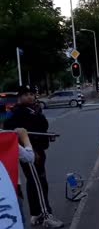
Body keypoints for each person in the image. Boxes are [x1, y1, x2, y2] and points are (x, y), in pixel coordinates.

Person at [4, 86, 64, 228]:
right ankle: (46, 215)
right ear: (20, 97)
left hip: (39, 150)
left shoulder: (34, 109)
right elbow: (12, 132)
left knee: (35, 182)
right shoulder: (17, 112)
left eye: (32, 94)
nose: (30, 97)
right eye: (26, 95)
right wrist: (30, 149)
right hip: (30, 152)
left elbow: (41, 127)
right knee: (38, 183)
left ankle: (36, 213)